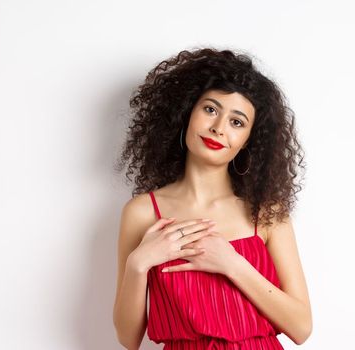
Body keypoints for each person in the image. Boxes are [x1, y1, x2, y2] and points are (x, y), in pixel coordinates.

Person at [112, 47, 312, 349]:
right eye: (210, 110)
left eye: (237, 122)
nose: (219, 128)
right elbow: (128, 339)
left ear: (248, 141)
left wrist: (232, 264)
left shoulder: (266, 212)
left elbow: (301, 327)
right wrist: (138, 264)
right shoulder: (142, 213)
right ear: (186, 114)